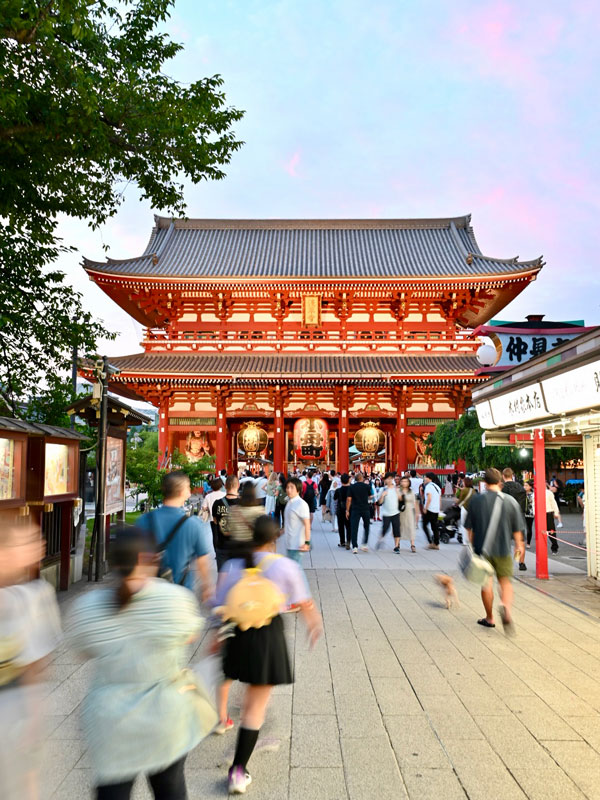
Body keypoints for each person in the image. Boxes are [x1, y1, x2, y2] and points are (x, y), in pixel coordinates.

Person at [66, 526, 212, 799]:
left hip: (111, 720)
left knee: (113, 791)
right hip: (166, 716)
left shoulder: (87, 607)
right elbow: (190, 635)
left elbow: (82, 650)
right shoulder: (175, 600)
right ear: (149, 558)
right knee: (170, 788)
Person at [213, 515, 323, 795]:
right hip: (267, 635)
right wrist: (313, 625)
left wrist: (216, 637)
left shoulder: (234, 565)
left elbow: (220, 602)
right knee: (256, 707)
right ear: (276, 538)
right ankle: (238, 770)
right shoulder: (286, 566)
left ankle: (237, 722)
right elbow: (304, 603)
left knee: (249, 695)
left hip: (237, 634)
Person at [0, 519, 62, 800]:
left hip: (13, 709)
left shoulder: (34, 596)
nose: (41, 545)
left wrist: (34, 723)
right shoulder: (32, 598)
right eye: (29, 541)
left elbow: (35, 669)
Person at [465, 468, 525, 633]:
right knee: (505, 582)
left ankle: (490, 618)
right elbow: (517, 529)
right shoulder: (510, 501)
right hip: (504, 548)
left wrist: (473, 545)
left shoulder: (476, 501)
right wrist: (519, 545)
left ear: (484, 483)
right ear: (501, 482)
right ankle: (505, 606)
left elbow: (469, 530)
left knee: (487, 583)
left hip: (483, 550)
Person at [137, 471, 212, 601]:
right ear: (182, 492)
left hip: (148, 593)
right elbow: (202, 559)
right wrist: (207, 587)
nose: (190, 490)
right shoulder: (193, 524)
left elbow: (136, 556)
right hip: (181, 593)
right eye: (188, 487)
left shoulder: (144, 520)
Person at [501, 469, 527, 571]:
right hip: (520, 516)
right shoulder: (520, 487)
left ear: (503, 476)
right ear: (512, 475)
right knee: (519, 542)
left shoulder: (503, 488)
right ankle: (521, 562)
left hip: (507, 517)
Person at [212, 475, 240, 570]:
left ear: (225, 486)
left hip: (222, 546)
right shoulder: (243, 503)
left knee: (222, 578)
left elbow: (215, 521)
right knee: (238, 578)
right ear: (238, 485)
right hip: (239, 546)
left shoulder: (217, 503)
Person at [282, 478, 311, 562]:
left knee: (296, 571)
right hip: (289, 543)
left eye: (292, 487)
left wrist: (307, 542)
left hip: (297, 545)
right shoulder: (289, 502)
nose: (289, 490)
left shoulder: (301, 504)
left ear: (298, 489)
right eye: (287, 487)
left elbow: (307, 524)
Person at [347, 471, 371, 553]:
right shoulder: (367, 486)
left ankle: (355, 546)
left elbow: (349, 499)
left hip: (355, 509)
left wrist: (347, 510)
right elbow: (370, 497)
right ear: (361, 478)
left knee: (354, 527)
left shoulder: (352, 487)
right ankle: (364, 544)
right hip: (365, 508)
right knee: (366, 526)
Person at [376, 473, 401, 551]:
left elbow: (401, 500)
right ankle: (381, 539)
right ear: (385, 480)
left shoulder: (397, 489)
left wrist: (398, 493)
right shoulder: (382, 489)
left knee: (396, 529)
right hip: (386, 513)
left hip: (396, 512)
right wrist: (382, 496)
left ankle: (396, 546)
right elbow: (379, 503)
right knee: (385, 528)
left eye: (391, 478)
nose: (390, 480)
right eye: (388, 479)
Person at [201, 477, 226, 552]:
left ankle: (216, 552)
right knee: (223, 535)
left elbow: (204, 507)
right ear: (220, 486)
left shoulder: (208, 496)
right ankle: (223, 549)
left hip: (213, 518)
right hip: (224, 518)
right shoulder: (224, 494)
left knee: (215, 536)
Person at [422, 472, 441, 550]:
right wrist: (439, 509)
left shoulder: (429, 486)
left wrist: (425, 508)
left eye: (425, 477)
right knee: (434, 527)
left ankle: (430, 542)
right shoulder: (437, 487)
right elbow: (439, 499)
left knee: (424, 525)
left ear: (429, 478)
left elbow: (429, 498)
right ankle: (436, 544)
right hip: (436, 509)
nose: (424, 479)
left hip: (430, 509)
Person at [399, 475, 418, 552]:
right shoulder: (398, 491)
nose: (404, 483)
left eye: (406, 481)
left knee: (411, 526)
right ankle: (398, 543)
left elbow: (415, 502)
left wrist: (417, 513)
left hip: (410, 510)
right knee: (400, 527)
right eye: (403, 481)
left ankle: (412, 544)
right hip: (401, 511)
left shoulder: (411, 492)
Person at [334, 473, 351, 549]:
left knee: (341, 526)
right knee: (348, 526)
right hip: (349, 509)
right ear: (348, 480)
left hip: (340, 509)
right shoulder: (351, 489)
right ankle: (348, 542)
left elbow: (335, 498)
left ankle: (342, 541)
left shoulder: (338, 490)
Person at [546, 484, 561, 554]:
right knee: (540, 532)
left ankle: (554, 547)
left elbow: (554, 503)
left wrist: (556, 512)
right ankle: (542, 548)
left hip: (549, 513)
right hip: (539, 515)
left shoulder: (549, 493)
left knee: (551, 531)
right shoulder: (535, 493)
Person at [523, 480, 534, 548]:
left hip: (530, 513)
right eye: (524, 485)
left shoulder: (534, 494)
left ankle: (528, 543)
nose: (524, 487)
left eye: (526, 485)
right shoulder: (522, 493)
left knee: (529, 528)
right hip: (522, 512)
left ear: (530, 487)